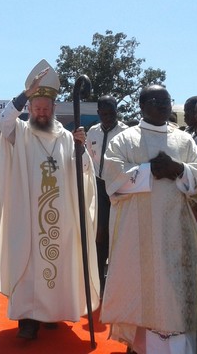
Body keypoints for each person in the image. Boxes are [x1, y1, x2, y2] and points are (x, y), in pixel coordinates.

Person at [0, 59, 99, 340]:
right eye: (35, 108)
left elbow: (83, 170)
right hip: (27, 213)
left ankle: (54, 313)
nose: (40, 112)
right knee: (27, 262)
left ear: (53, 110)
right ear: (29, 108)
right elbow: (4, 122)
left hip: (61, 215)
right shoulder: (21, 132)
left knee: (59, 262)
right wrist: (24, 93)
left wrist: (80, 148)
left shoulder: (65, 136)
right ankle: (27, 319)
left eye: (45, 109)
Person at [100, 84, 197, 353]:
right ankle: (139, 345)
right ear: (141, 105)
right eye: (156, 101)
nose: (164, 106)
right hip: (136, 234)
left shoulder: (183, 140)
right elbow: (113, 179)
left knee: (173, 293)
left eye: (167, 101)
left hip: (176, 228)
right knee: (141, 289)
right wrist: (149, 171)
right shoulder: (124, 139)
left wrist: (178, 169)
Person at [86, 95, 127, 295]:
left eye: (111, 113)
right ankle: (99, 282)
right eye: (104, 113)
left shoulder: (126, 133)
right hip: (97, 186)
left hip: (118, 187)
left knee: (118, 235)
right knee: (99, 234)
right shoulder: (92, 132)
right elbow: (86, 158)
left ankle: (117, 282)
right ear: (98, 113)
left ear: (117, 111)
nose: (108, 117)